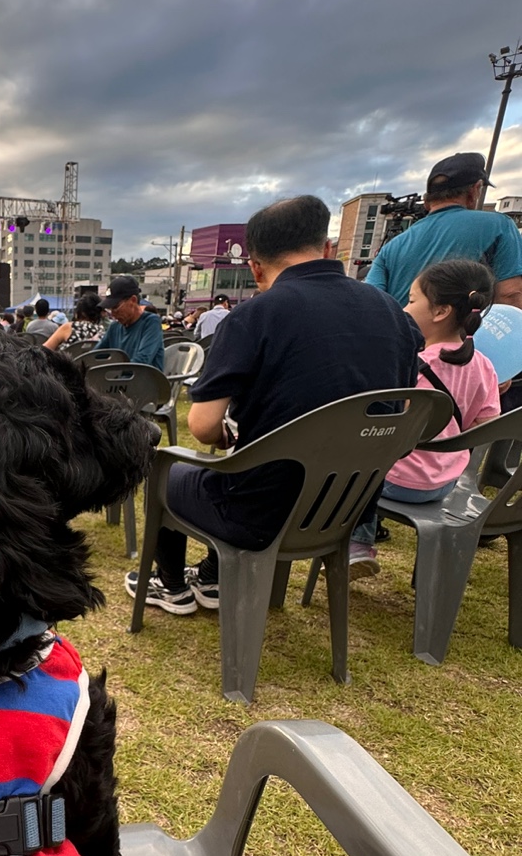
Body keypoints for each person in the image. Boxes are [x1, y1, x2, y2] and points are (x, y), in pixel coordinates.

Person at [127, 195, 423, 615]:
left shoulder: (255, 316)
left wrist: (234, 429)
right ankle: (213, 578)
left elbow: (205, 425)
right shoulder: (393, 314)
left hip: (260, 514)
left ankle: (170, 585)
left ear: (255, 266)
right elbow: (402, 415)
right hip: (348, 509)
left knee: (169, 469)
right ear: (327, 249)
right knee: (245, 471)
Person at [348, 259, 501, 573]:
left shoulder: (411, 362)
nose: (405, 308)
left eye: (412, 300)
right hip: (446, 483)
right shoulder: (484, 366)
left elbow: (389, 427)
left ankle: (358, 542)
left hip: (396, 481)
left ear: (440, 311)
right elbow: (485, 423)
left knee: (352, 468)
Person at [366, 152, 522, 308]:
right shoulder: (500, 226)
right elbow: (509, 295)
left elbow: (371, 301)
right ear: (475, 189)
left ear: (428, 200)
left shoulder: (391, 247)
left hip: (399, 331)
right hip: (466, 332)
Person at [92, 275, 165, 370]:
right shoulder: (114, 327)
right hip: (117, 382)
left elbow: (143, 360)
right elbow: (95, 356)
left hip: (145, 381)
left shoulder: (151, 322)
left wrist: (116, 374)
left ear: (133, 300)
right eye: (110, 309)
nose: (113, 314)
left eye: (116, 307)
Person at [43, 292, 108, 351]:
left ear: (82, 313)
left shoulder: (69, 327)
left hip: (67, 363)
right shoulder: (103, 332)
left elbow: (44, 350)